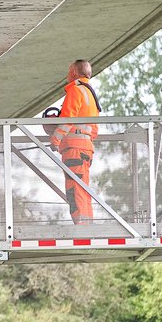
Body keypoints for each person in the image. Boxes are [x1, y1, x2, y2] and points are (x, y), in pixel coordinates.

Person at [49, 60, 101, 225]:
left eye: (69, 71)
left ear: (73, 72)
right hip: (85, 148)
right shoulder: (90, 94)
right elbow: (94, 130)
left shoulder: (75, 90)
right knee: (83, 189)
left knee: (74, 189)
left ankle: (82, 227)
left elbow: (68, 119)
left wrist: (55, 139)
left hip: (74, 148)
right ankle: (87, 224)